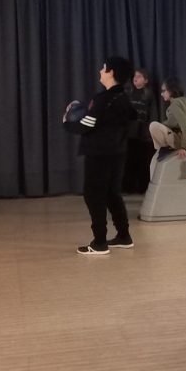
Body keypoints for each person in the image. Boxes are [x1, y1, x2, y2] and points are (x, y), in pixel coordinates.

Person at [63, 56, 138, 255]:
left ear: (111, 72)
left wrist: (67, 123)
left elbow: (86, 125)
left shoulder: (103, 99)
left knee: (93, 195)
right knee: (112, 194)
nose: (100, 71)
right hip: (118, 153)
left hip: (99, 154)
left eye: (104, 68)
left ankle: (99, 242)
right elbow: (133, 118)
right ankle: (124, 236)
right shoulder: (124, 97)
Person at [148, 77, 186, 160]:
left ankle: (163, 149)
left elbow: (185, 124)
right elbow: (177, 122)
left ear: (171, 91)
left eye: (164, 91)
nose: (162, 94)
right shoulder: (184, 102)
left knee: (153, 125)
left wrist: (184, 147)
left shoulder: (175, 104)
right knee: (160, 126)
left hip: (180, 140)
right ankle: (163, 149)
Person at [124, 68, 159, 193]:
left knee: (143, 161)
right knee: (129, 160)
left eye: (139, 76)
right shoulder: (128, 92)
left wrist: (150, 131)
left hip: (143, 134)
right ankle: (128, 187)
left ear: (145, 80)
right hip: (129, 133)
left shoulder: (148, 94)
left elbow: (153, 114)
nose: (135, 78)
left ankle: (142, 187)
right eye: (134, 76)